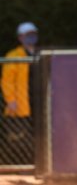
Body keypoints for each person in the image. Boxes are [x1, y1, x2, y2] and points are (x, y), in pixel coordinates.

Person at [1, 22, 38, 164]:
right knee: (19, 137)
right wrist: (11, 100)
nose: (31, 37)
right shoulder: (14, 55)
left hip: (39, 101)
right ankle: (21, 166)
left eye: (33, 33)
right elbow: (7, 81)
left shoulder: (41, 54)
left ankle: (37, 164)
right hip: (22, 103)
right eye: (28, 34)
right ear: (20, 37)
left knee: (39, 135)